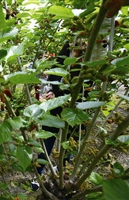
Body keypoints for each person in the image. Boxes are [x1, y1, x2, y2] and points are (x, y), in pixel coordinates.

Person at [31, 42, 90, 191]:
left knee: (69, 142)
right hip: (57, 107)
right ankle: (38, 173)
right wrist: (53, 93)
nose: (82, 46)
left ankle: (61, 168)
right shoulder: (63, 59)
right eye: (78, 44)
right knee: (47, 140)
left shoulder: (88, 65)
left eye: (85, 44)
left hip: (76, 110)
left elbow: (86, 91)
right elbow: (55, 80)